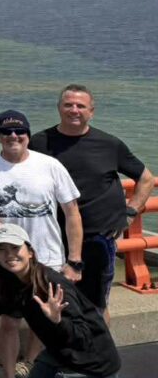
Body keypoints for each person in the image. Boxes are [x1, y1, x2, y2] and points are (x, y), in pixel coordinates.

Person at [0, 110, 84, 378]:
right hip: (6, 259)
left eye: (19, 131)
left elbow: (72, 213)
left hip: (47, 257)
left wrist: (74, 260)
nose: (13, 136)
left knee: (42, 319)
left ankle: (30, 364)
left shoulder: (50, 165)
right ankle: (9, 374)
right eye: (6, 131)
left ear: (28, 135)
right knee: (8, 320)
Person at [29, 84, 155, 319]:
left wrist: (130, 212)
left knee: (97, 305)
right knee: (54, 301)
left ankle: (100, 343)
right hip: (54, 237)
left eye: (81, 106)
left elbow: (146, 179)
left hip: (99, 238)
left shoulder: (109, 144)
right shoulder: (39, 143)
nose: (74, 110)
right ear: (59, 108)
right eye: (68, 105)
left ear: (91, 111)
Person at [0, 223, 121, 378]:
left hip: (91, 363)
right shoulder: (16, 282)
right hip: (59, 352)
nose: (9, 254)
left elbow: (83, 337)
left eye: (15, 247)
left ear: (30, 252)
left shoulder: (52, 285)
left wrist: (58, 321)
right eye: (1, 249)